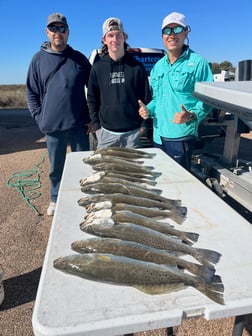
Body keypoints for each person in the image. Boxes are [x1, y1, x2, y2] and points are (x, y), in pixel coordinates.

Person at [26, 12, 91, 216]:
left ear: (68, 32)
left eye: (62, 29)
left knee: (83, 166)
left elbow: (95, 89)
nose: (58, 33)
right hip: (52, 127)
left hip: (79, 124)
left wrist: (91, 118)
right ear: (47, 32)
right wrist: (40, 118)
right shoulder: (38, 60)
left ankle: (86, 197)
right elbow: (31, 92)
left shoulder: (79, 59)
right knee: (57, 168)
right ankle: (55, 198)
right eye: (53, 28)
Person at [139, 12, 213, 170]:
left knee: (178, 183)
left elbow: (208, 100)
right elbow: (158, 99)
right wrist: (148, 110)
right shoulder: (158, 67)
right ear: (162, 36)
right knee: (161, 178)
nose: (172, 35)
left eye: (177, 29)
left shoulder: (198, 63)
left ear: (186, 32)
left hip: (181, 136)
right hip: (158, 135)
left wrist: (192, 115)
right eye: (167, 31)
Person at [87, 17, 151, 149]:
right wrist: (97, 128)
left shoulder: (137, 67)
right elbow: (92, 100)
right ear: (104, 40)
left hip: (133, 135)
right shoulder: (98, 68)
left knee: (133, 170)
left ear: (124, 37)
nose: (114, 39)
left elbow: (147, 100)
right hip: (106, 135)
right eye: (110, 36)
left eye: (118, 35)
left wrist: (144, 127)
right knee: (104, 170)